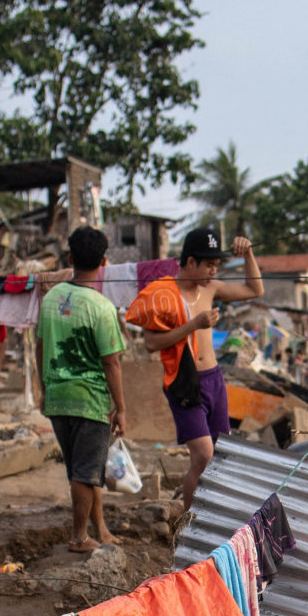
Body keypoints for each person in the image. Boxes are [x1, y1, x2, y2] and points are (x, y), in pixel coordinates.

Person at [124, 227, 264, 510]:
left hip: (214, 379)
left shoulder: (210, 289)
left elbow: (254, 289)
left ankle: (210, 517)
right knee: (202, 456)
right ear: (190, 262)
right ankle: (189, 523)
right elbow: (151, 344)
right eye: (209, 265)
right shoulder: (163, 294)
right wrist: (193, 325)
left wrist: (248, 252)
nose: (213, 271)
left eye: (216, 265)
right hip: (184, 381)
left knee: (219, 458)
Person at [37, 226, 127, 553]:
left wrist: (43, 386)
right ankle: (78, 538)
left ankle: (99, 529)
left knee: (83, 470)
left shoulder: (50, 299)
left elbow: (40, 346)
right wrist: (122, 408)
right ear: (103, 262)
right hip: (91, 402)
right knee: (86, 473)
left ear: (70, 258)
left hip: (58, 398)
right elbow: (112, 364)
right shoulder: (101, 308)